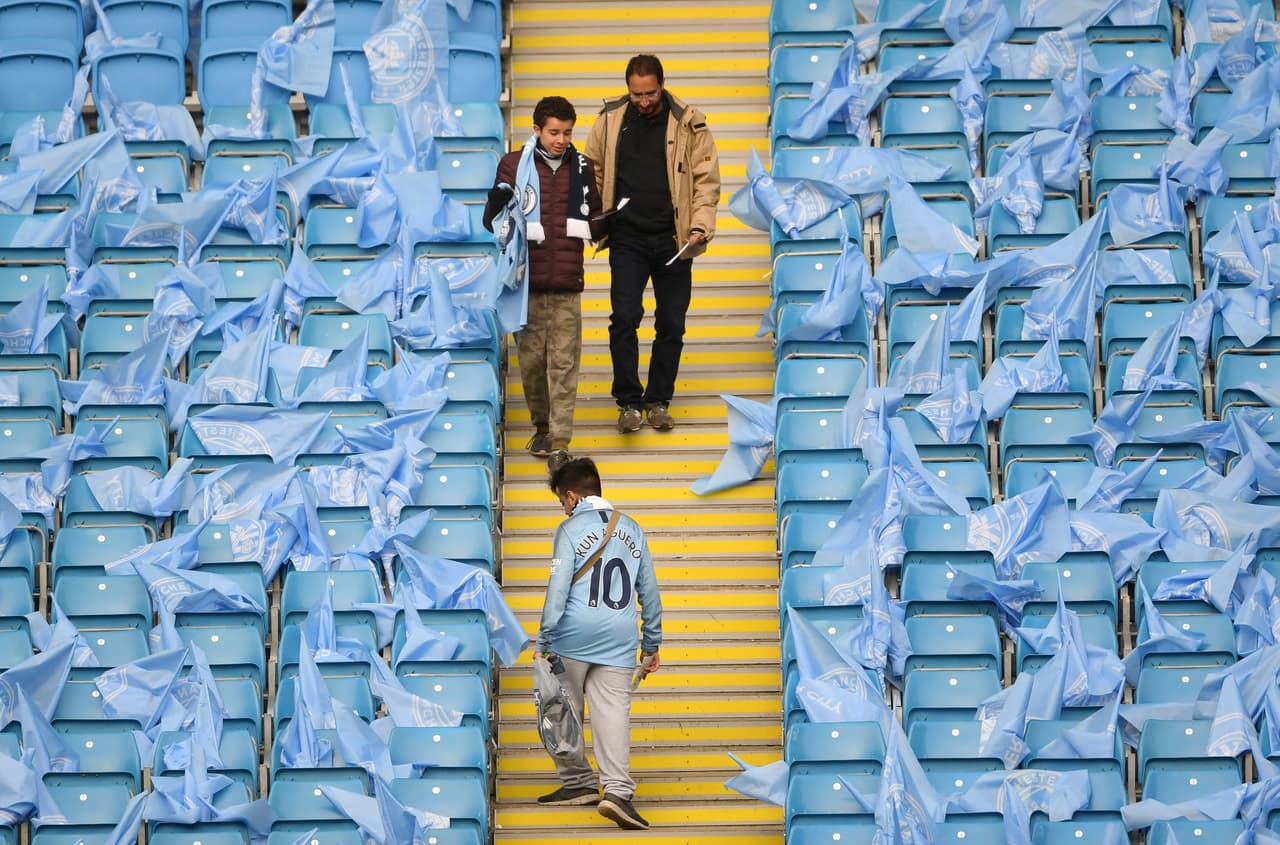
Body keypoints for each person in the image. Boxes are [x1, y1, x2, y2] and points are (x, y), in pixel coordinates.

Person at [584, 54, 721, 434]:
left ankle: (659, 400)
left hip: (674, 240)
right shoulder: (609, 119)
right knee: (624, 318)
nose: (643, 101)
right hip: (626, 237)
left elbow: (706, 182)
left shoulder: (690, 121)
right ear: (628, 90)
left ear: (662, 85)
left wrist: (700, 226)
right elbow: (592, 171)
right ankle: (629, 402)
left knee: (672, 323)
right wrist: (594, 216)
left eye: (650, 94)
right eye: (636, 95)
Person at [535, 456, 663, 830]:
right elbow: (649, 591)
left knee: (560, 709)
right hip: (619, 638)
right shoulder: (633, 528)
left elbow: (558, 590)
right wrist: (651, 643)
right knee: (613, 714)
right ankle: (618, 793)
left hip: (572, 636)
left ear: (572, 497)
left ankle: (578, 783)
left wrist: (544, 639)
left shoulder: (568, 529)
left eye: (562, 501)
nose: (563, 508)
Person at [483, 96, 604, 473]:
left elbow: (595, 216)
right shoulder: (512, 165)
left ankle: (560, 443)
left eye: (568, 132)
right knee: (532, 365)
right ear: (536, 130)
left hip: (567, 285)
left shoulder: (583, 167)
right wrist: (497, 203)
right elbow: (492, 223)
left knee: (564, 366)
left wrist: (605, 225)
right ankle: (542, 428)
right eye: (554, 132)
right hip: (525, 285)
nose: (561, 140)